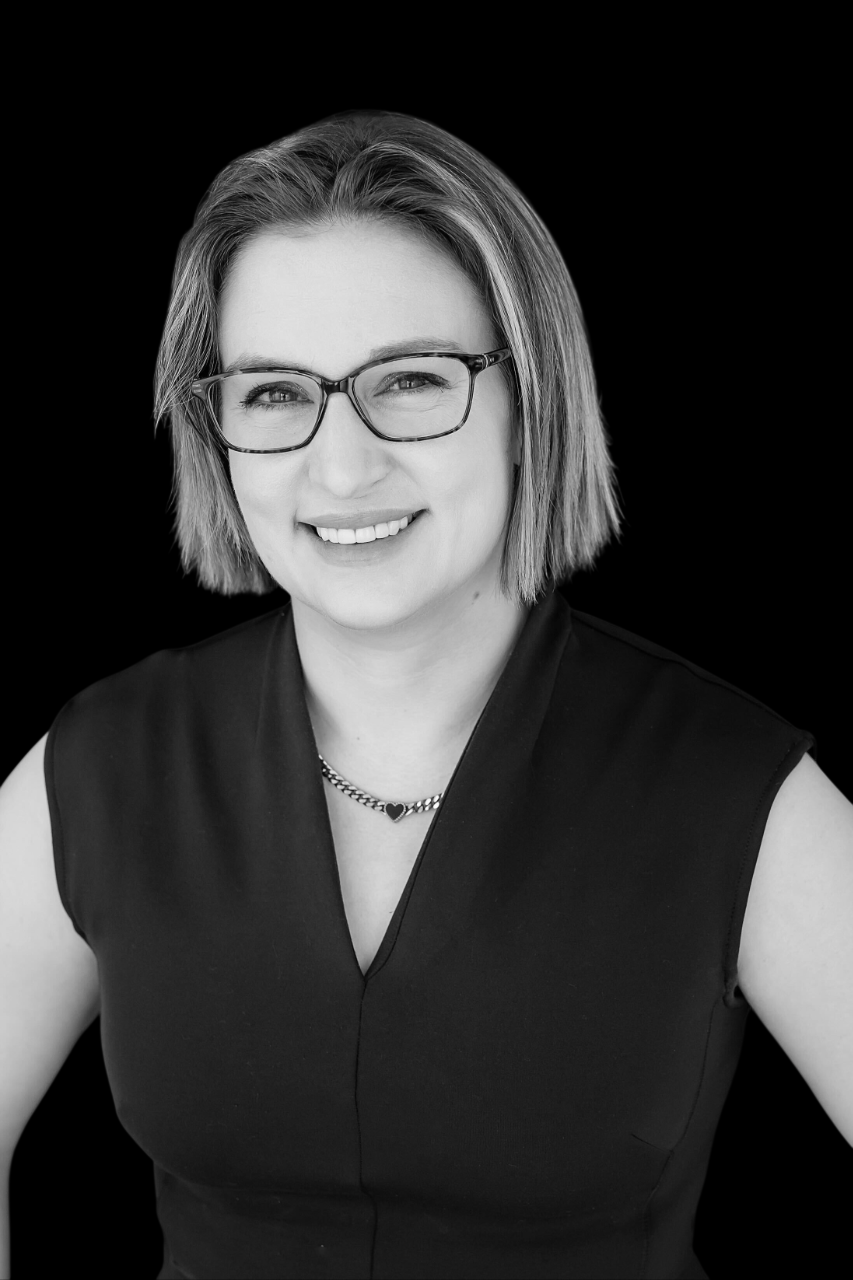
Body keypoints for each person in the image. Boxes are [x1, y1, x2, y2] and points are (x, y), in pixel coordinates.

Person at [1, 108, 851, 1280]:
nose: (341, 465)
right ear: (217, 430)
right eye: (273, 394)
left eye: (408, 380)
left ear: (527, 400)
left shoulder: (734, 787)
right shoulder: (97, 764)